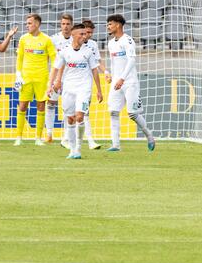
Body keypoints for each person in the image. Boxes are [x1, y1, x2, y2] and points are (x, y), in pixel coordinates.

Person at [47, 23, 103, 159]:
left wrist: (99, 90)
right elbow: (55, 68)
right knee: (70, 119)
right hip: (68, 89)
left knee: (80, 116)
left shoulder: (88, 51)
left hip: (84, 88)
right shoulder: (64, 51)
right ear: (73, 35)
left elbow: (95, 71)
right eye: (82, 34)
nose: (85, 36)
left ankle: (78, 147)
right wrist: (51, 85)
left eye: (85, 34)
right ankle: (72, 150)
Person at [106, 14, 155, 152]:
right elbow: (114, 62)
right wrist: (112, 76)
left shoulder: (127, 41)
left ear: (118, 25)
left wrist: (122, 78)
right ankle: (115, 145)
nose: (108, 27)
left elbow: (132, 60)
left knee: (132, 114)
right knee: (113, 112)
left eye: (110, 24)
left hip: (129, 82)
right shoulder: (111, 43)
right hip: (117, 82)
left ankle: (149, 136)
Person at [14, 13, 57, 146]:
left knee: (41, 106)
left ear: (37, 24)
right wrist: (18, 75)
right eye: (27, 23)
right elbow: (20, 58)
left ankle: (38, 138)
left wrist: (53, 79)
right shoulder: (23, 39)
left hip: (42, 78)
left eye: (30, 23)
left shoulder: (47, 40)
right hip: (26, 78)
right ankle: (19, 137)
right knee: (22, 106)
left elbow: (54, 59)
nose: (27, 26)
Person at [76, 19, 103, 150]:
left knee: (84, 113)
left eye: (91, 33)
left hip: (86, 85)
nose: (88, 35)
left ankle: (90, 140)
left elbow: (96, 65)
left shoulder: (92, 45)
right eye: (86, 32)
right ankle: (67, 139)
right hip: (71, 84)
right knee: (70, 113)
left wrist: (99, 89)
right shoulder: (72, 45)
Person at [46, 13, 73, 144]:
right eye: (63, 24)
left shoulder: (75, 39)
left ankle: (66, 136)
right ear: (60, 25)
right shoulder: (53, 39)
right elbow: (46, 56)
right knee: (51, 104)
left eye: (68, 24)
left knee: (68, 108)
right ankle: (49, 134)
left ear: (72, 25)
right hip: (56, 77)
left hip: (70, 78)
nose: (65, 26)